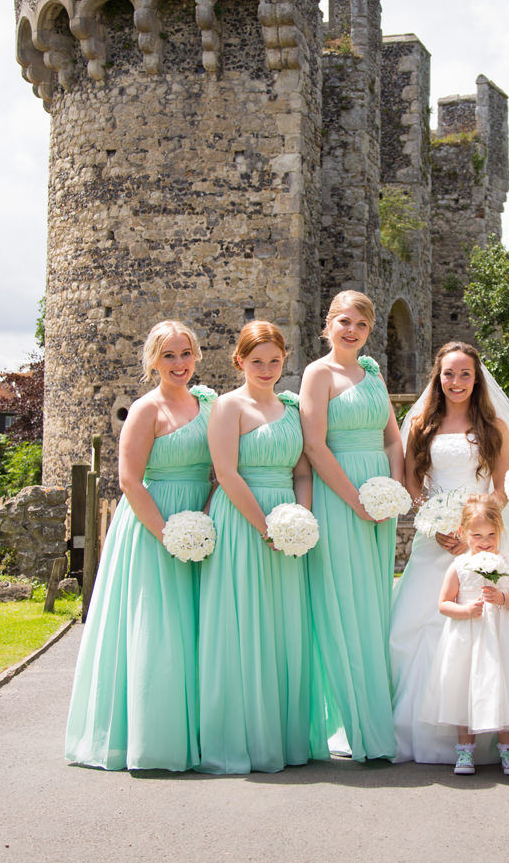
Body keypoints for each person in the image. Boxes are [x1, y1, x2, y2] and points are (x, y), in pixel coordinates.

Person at [65, 320, 213, 772]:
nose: (179, 363)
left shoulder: (207, 404)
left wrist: (205, 519)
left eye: (185, 353)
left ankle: (201, 734)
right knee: (159, 628)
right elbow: (129, 479)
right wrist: (167, 532)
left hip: (200, 520)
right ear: (153, 361)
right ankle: (153, 739)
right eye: (169, 355)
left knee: (197, 629)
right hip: (153, 523)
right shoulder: (146, 409)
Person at [390, 341, 509, 764]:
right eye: (449, 374)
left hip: (483, 537)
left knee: (487, 631)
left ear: (477, 378)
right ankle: (420, 732)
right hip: (436, 539)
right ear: (438, 376)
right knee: (418, 625)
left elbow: (504, 486)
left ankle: (489, 739)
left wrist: (477, 530)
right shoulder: (421, 426)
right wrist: (432, 520)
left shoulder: (495, 428)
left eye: (465, 373)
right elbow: (413, 481)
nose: (456, 382)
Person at [199, 321, 324, 773]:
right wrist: (265, 526)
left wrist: (301, 520)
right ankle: (242, 739)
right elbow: (226, 473)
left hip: (287, 523)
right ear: (240, 362)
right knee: (243, 622)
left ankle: (286, 738)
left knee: (284, 625)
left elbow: (304, 472)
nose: (267, 369)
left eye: (274, 361)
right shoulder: (228, 406)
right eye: (257, 362)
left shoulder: (293, 409)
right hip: (242, 521)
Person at [299, 290, 405, 761]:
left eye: (361, 325)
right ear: (328, 325)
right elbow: (315, 446)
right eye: (343, 321)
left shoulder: (375, 375)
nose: (351, 331)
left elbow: (393, 440)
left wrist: (393, 492)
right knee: (341, 602)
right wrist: (356, 501)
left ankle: (376, 715)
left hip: (379, 502)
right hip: (339, 497)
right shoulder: (317, 374)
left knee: (374, 604)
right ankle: (349, 721)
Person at [417, 494, 509, 777]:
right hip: (467, 638)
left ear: (501, 533)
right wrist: (465, 610)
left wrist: (503, 599)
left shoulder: (508, 562)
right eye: (477, 535)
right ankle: (465, 752)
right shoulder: (458, 565)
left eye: (491, 534)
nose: (485, 541)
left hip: (500, 638)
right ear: (462, 533)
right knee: (465, 691)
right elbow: (443, 603)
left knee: (504, 689)